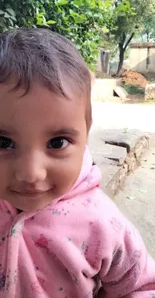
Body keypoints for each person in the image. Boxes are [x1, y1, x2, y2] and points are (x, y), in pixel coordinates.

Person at [0, 28, 154, 298]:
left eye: (57, 143)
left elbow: (142, 286)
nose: (30, 173)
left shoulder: (101, 223)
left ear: (86, 132)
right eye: (3, 143)